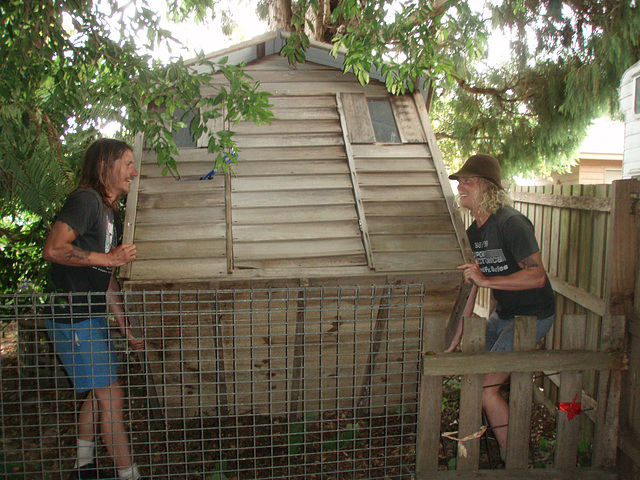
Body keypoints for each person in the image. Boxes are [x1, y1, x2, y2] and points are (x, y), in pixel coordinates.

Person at [43, 138, 145, 480]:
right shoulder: (85, 200)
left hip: (91, 316)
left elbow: (107, 279)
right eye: (127, 163)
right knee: (111, 395)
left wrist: (124, 326)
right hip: (72, 317)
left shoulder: (109, 211)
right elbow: (55, 248)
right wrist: (110, 257)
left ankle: (83, 465)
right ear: (106, 166)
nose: (134, 170)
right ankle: (128, 474)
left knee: (100, 391)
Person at [445, 153, 555, 462]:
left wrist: (487, 282)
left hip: (533, 315)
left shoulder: (511, 223)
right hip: (505, 314)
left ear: (487, 187)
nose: (460, 186)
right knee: (475, 377)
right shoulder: (474, 233)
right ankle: (493, 443)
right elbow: (472, 283)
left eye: (468, 181)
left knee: (486, 389)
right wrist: (457, 334)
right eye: (459, 181)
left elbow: (536, 276)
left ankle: (516, 458)